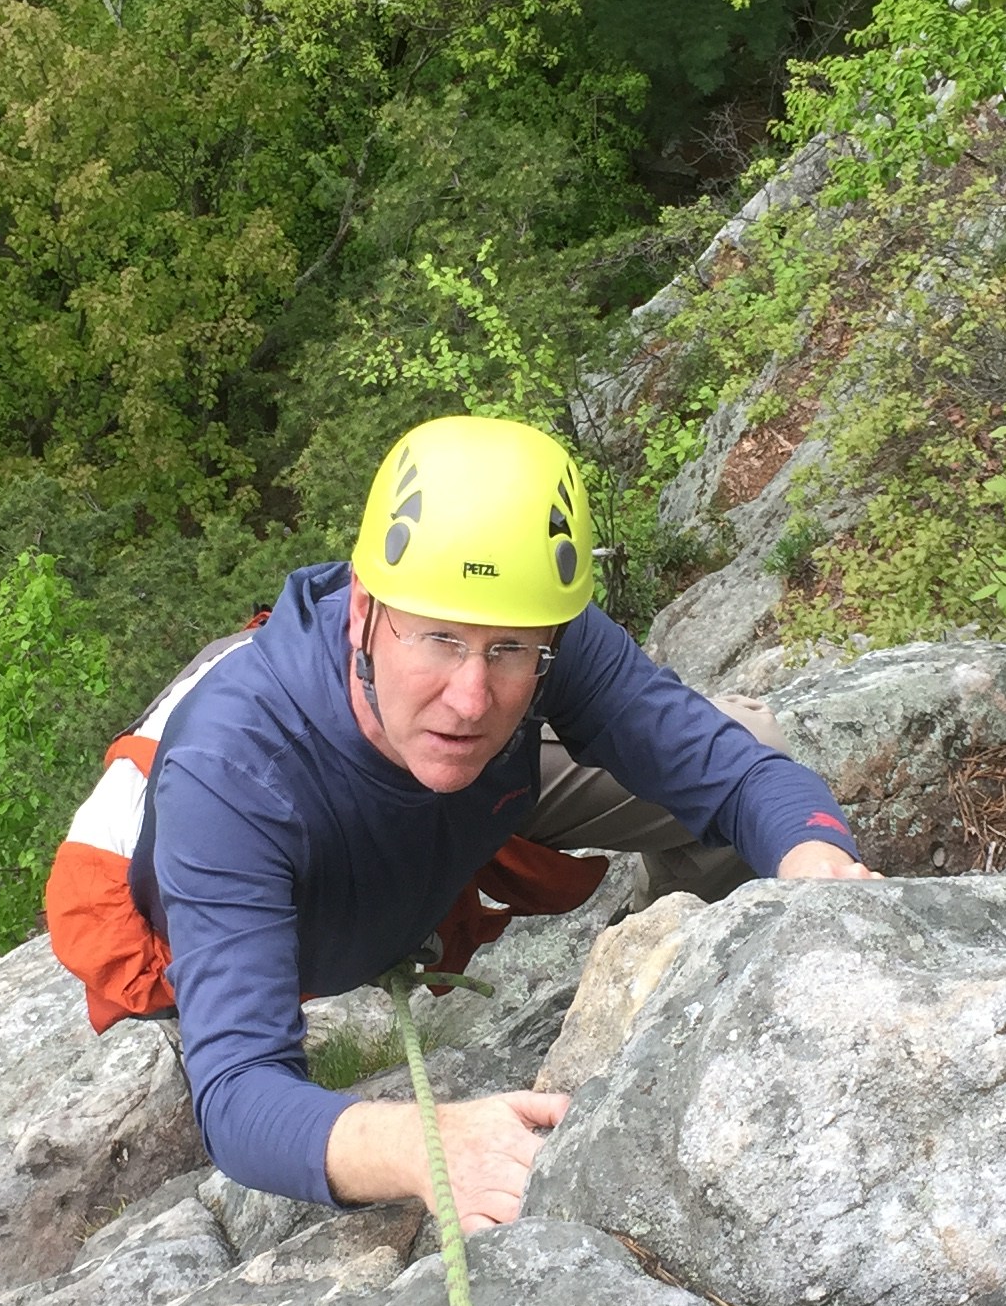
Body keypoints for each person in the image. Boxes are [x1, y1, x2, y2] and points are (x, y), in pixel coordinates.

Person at [46, 413, 872, 1231]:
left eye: (511, 650)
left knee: (751, 739)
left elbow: (733, 768)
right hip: (292, 864)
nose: (472, 698)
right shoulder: (232, 777)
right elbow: (238, 1094)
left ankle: (690, 965)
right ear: (362, 610)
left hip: (443, 800)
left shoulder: (534, 629)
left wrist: (814, 866)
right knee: (258, 967)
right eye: (438, 639)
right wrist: (427, 1145)